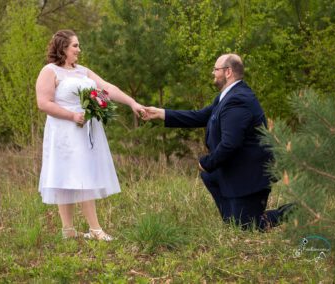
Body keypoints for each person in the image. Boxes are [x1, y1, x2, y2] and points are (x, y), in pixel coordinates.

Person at [143, 53, 294, 231]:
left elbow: (231, 144)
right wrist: (161, 113)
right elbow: (200, 116)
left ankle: (295, 211)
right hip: (235, 170)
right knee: (229, 214)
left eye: (215, 69)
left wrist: (206, 162)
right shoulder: (227, 96)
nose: (213, 73)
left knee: (248, 226)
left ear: (228, 72)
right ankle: (234, 215)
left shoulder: (239, 100)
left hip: (250, 176)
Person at [36, 29, 145, 240]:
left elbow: (106, 88)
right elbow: (43, 103)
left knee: (85, 172)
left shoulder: (82, 71)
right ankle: (79, 230)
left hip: (88, 131)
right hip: (64, 131)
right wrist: (71, 116)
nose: (79, 49)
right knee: (65, 176)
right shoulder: (49, 71)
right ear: (63, 47)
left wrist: (132, 102)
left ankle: (89, 229)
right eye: (75, 45)